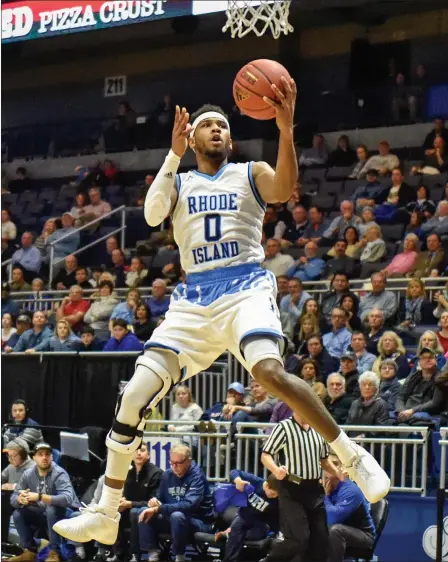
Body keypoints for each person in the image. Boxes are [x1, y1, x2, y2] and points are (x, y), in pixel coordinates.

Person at [54, 97, 389, 544]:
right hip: (192, 299)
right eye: (206, 126)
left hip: (244, 286)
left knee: (269, 371)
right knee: (133, 396)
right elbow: (153, 213)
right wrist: (172, 154)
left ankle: (351, 456)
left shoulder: (251, 172)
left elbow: (285, 187)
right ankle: (106, 513)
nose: (215, 130)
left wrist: (285, 131)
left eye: (222, 126)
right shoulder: (181, 180)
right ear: (192, 138)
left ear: (231, 139)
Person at [261, 412, 339, 562]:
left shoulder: (318, 428)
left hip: (315, 489)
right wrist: (276, 470)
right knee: (299, 538)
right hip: (292, 487)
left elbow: (324, 460)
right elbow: (265, 455)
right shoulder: (283, 427)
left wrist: (337, 473)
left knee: (321, 540)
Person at [137, 444, 215, 562]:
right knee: (143, 512)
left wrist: (158, 509)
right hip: (173, 518)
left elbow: (189, 505)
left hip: (199, 520)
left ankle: (179, 557)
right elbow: (159, 498)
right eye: (171, 462)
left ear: (189, 461)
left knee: (177, 516)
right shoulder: (167, 474)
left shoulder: (197, 476)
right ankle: (152, 556)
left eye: (178, 463)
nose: (174, 467)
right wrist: (154, 502)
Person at [9, 443, 80, 562]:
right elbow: (13, 498)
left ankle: (54, 552)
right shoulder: (28, 474)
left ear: (52, 457)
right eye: (40, 454)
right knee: (18, 513)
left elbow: (67, 499)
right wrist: (19, 499)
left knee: (51, 508)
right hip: (43, 513)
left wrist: (40, 496)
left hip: (65, 515)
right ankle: (29, 550)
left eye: (47, 454)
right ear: (33, 458)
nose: (44, 457)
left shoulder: (59, 473)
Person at [110, 443, 163, 562]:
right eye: (135, 451)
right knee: (115, 511)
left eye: (142, 450)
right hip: (132, 508)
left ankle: (135, 554)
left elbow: (154, 502)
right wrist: (122, 502)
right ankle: (118, 552)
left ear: (148, 455)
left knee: (134, 512)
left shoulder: (156, 473)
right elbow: (127, 497)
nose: (138, 453)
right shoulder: (128, 473)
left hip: (152, 511)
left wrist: (130, 504)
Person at [324, 454, 375, 562]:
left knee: (335, 531)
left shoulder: (350, 489)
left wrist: (325, 496)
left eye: (335, 464)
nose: (329, 468)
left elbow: (332, 518)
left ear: (341, 468)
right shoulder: (327, 485)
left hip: (363, 535)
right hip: (341, 527)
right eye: (327, 465)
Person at [219, 471, 279, 562]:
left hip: (261, 523)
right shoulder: (257, 482)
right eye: (273, 494)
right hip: (243, 517)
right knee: (237, 527)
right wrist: (238, 481)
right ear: (266, 486)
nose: (274, 497)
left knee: (245, 534)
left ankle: (228, 533)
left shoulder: (278, 498)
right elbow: (234, 472)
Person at [395, 347, 444, 424]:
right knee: (388, 420)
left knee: (417, 421)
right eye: (424, 358)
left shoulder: (441, 378)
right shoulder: (412, 377)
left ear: (436, 361)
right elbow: (400, 397)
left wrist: (412, 411)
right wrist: (401, 410)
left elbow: (435, 403)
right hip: (407, 411)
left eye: (431, 357)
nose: (427, 360)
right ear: (419, 362)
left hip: (428, 413)